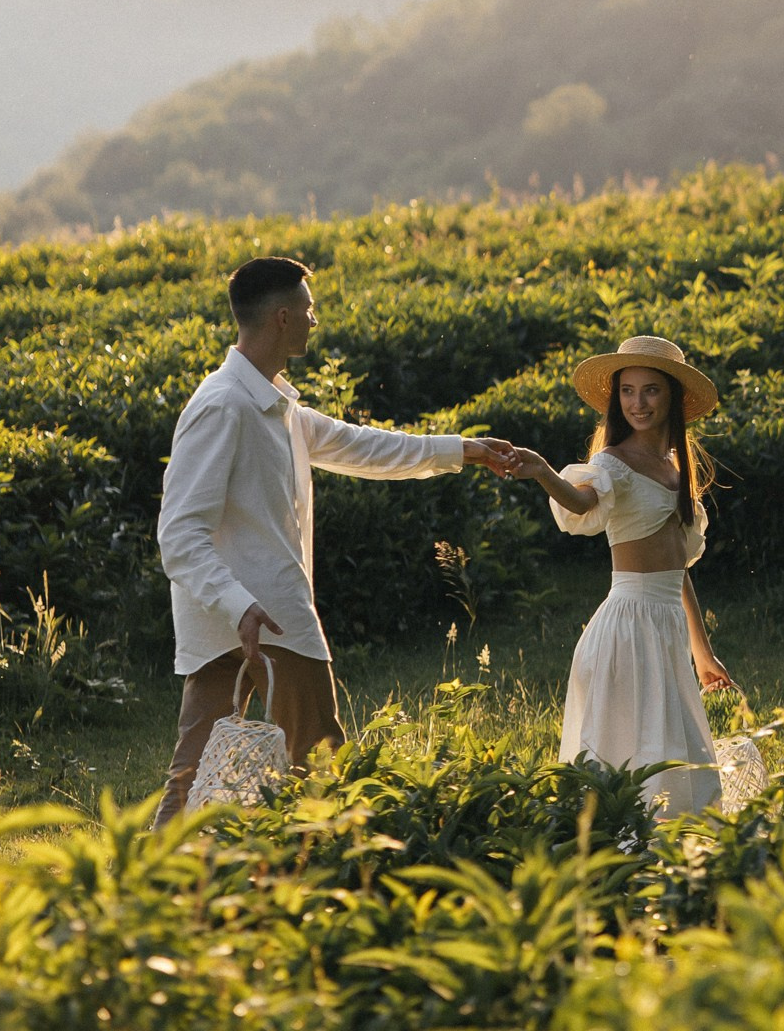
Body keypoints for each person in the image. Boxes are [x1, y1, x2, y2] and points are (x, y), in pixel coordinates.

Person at [152, 257, 515, 824]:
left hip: (241, 615)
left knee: (194, 772)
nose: (313, 319)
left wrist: (463, 449)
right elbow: (178, 532)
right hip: (269, 616)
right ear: (280, 317)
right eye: (307, 308)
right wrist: (240, 605)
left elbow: (364, 447)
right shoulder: (224, 404)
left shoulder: (277, 406)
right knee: (322, 764)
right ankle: (331, 877)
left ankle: (157, 885)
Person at [499, 334, 737, 818]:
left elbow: (678, 569)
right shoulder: (613, 464)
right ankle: (626, 856)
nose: (638, 403)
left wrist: (703, 650)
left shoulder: (673, 469)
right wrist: (545, 471)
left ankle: (677, 855)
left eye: (650, 390)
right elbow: (583, 502)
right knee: (632, 755)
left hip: (664, 627)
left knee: (677, 748)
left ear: (672, 395)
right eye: (627, 391)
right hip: (628, 630)